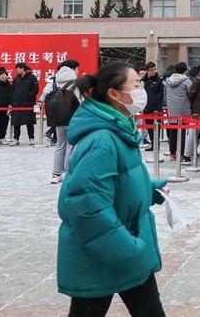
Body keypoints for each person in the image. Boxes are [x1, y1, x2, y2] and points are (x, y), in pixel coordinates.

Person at [56, 61, 168, 316]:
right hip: (103, 252)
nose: (141, 90)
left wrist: (147, 190)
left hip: (122, 243)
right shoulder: (102, 140)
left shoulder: (120, 128)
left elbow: (112, 183)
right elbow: (86, 206)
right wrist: (127, 248)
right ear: (114, 94)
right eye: (136, 85)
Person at [41, 60, 81, 184]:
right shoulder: (75, 82)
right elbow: (81, 101)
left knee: (60, 145)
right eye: (77, 69)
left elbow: (45, 94)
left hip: (58, 116)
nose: (78, 71)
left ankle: (56, 173)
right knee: (71, 145)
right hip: (72, 117)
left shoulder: (54, 79)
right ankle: (67, 172)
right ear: (73, 68)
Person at [163, 62, 191, 161]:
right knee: (182, 132)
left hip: (172, 110)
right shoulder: (187, 81)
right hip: (183, 110)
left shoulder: (168, 81)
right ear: (185, 70)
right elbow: (191, 94)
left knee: (173, 132)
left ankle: (172, 153)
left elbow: (165, 95)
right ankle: (182, 153)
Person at [9, 62, 39, 146]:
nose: (17, 70)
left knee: (30, 122)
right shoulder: (16, 79)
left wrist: (29, 96)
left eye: (18, 68)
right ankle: (16, 139)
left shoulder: (32, 77)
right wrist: (13, 100)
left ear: (23, 68)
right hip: (17, 104)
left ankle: (31, 138)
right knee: (16, 122)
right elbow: (13, 90)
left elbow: (35, 89)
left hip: (28, 103)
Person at [140, 62, 164, 152]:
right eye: (151, 70)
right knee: (149, 127)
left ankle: (156, 144)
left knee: (156, 127)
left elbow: (162, 93)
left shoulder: (159, 80)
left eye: (154, 69)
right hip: (147, 107)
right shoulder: (144, 81)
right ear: (147, 71)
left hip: (156, 108)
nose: (153, 71)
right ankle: (153, 144)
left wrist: (156, 101)